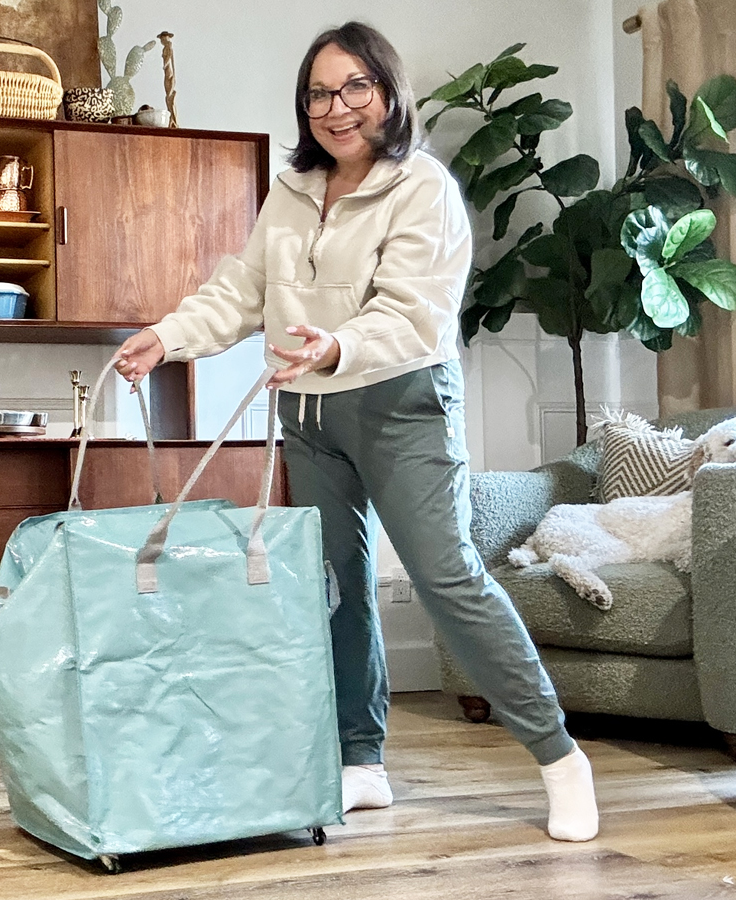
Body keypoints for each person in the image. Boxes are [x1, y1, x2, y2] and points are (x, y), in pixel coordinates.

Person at [112, 21, 599, 842]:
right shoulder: (293, 190)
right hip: (308, 413)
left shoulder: (423, 188)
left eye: (354, 88)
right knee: (336, 584)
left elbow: (415, 313)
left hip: (401, 403)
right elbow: (242, 289)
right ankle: (361, 760)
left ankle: (560, 758)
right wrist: (168, 337)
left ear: (387, 92)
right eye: (318, 93)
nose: (336, 108)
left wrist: (336, 346)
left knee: (447, 579)